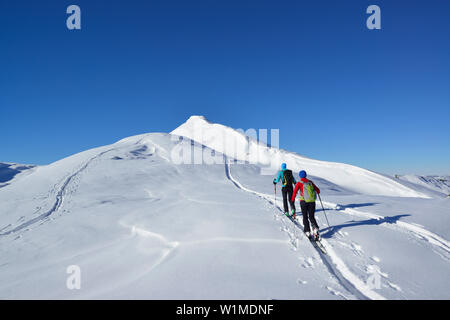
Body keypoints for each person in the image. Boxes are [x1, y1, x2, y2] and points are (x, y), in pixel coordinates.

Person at [292, 170, 321, 240]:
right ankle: (315, 229)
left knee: (305, 216)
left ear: (300, 176)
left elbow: (295, 192)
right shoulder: (310, 182)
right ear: (306, 175)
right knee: (311, 216)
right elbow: (318, 190)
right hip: (312, 201)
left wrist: (292, 200)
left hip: (303, 201)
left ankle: (307, 231)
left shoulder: (299, 183)